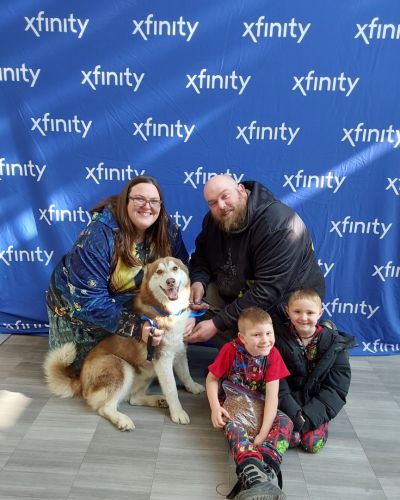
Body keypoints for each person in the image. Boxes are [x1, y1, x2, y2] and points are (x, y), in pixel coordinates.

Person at [46, 175, 189, 369]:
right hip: (80, 310)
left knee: (145, 362)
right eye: (139, 199)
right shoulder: (98, 237)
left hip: (130, 304)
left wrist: (188, 304)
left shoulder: (167, 229)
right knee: (86, 368)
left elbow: (182, 269)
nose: (147, 206)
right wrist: (137, 328)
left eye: (154, 201)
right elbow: (89, 301)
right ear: (125, 201)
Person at [187, 175, 325, 347]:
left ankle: (314, 337)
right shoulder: (213, 220)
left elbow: (268, 290)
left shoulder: (279, 224)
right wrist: (198, 281)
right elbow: (201, 257)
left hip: (283, 304)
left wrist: (217, 323)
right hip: (238, 291)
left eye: (225, 196)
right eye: (212, 202)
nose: (221, 206)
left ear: (241, 191)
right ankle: (237, 345)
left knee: (266, 352)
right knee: (190, 303)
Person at [206, 307, 292, 500]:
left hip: (260, 406)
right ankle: (253, 474)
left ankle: (263, 473)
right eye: (257, 335)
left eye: (269, 333)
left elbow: (272, 397)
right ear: (242, 337)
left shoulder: (273, 355)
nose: (265, 340)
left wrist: (262, 433)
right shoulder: (230, 350)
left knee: (286, 422)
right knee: (234, 429)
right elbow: (212, 379)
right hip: (233, 406)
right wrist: (215, 408)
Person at [276, 288, 356, 453]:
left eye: (310, 312)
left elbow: (336, 389)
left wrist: (309, 417)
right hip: (289, 402)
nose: (303, 317)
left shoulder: (335, 345)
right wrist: (293, 413)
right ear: (287, 311)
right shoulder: (277, 341)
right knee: (290, 440)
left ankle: (319, 421)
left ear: (320, 313)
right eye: (297, 311)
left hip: (317, 402)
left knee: (311, 445)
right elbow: (277, 382)